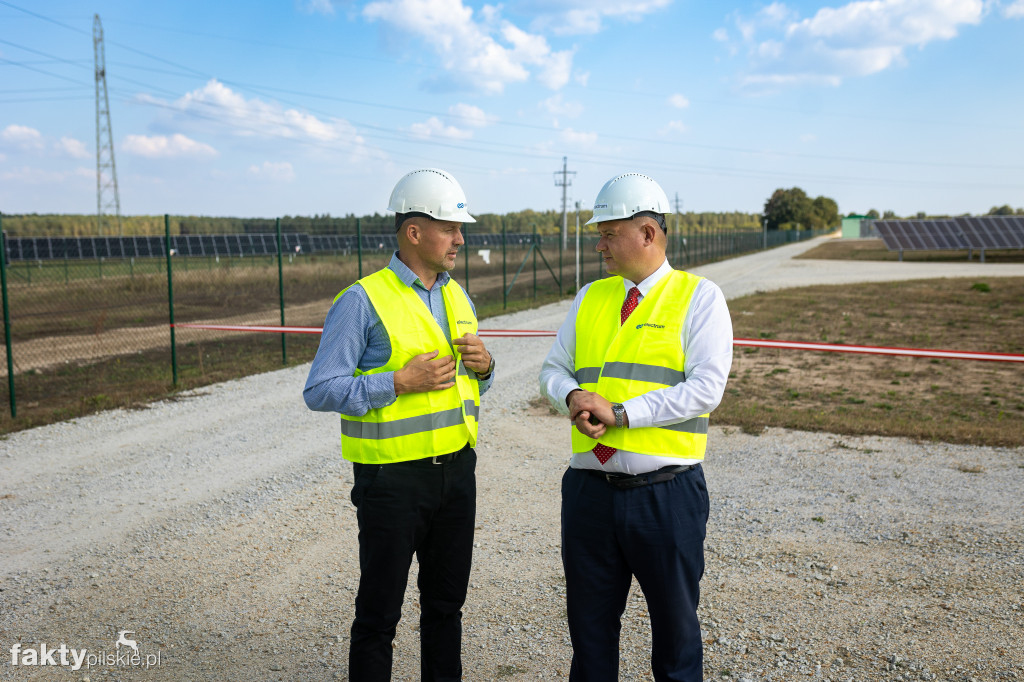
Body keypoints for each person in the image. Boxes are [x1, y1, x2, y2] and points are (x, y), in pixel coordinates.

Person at [539, 172, 733, 681]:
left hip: (665, 496)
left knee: (675, 639)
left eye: (608, 233)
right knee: (591, 637)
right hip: (589, 494)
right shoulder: (591, 298)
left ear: (648, 234)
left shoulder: (700, 298)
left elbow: (706, 389)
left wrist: (622, 415)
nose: (599, 244)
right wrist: (574, 396)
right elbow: (551, 371)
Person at [304, 168, 495, 681]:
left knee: (445, 609)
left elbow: (469, 386)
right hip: (391, 483)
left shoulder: (458, 297)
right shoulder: (362, 300)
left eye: (460, 229)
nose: (460, 239)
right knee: (379, 617)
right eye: (450, 228)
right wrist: (396, 382)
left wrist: (486, 367)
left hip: (456, 475)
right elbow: (320, 390)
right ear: (414, 233)